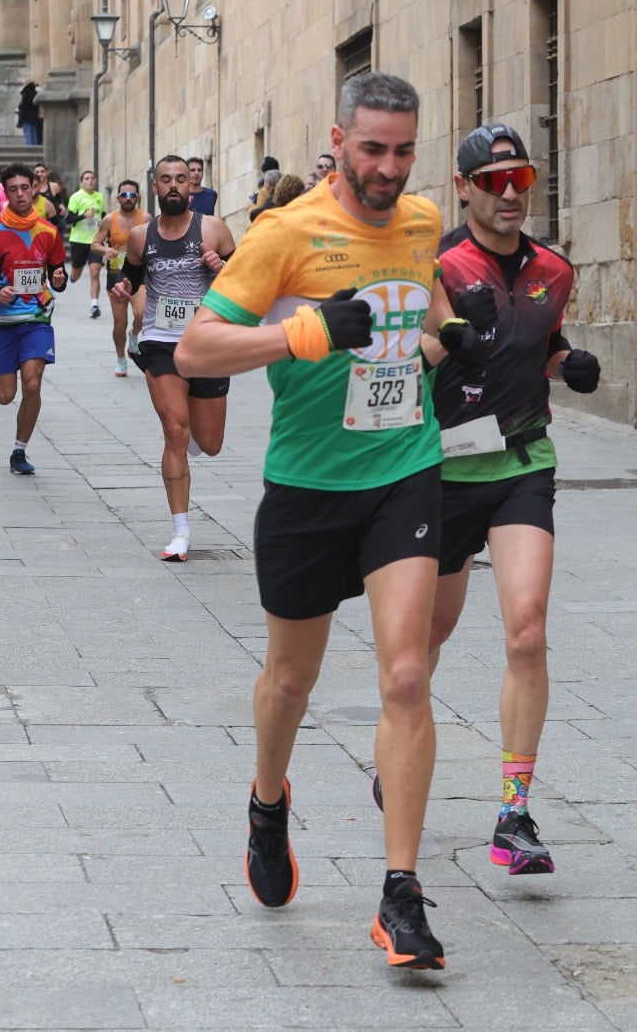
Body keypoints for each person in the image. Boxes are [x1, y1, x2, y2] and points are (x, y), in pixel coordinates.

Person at [175, 71, 486, 972]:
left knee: (404, 676)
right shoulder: (285, 233)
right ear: (339, 141)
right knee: (289, 681)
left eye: (402, 151)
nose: (388, 168)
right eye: (372, 149)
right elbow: (196, 345)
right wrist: (302, 334)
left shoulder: (424, 222)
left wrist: (445, 334)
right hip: (308, 486)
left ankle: (401, 895)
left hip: (405, 469)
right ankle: (267, 802)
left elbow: (421, 300)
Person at [390, 123, 599, 878]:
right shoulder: (436, 264)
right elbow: (406, 361)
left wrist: (568, 362)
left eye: (522, 180)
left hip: (519, 459)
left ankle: (514, 813)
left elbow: (540, 339)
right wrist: (451, 340)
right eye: (494, 182)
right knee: (431, 634)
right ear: (466, 187)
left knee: (526, 632)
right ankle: (398, 737)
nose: (510, 195)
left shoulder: (554, 268)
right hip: (443, 468)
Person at [110, 155, 236, 560]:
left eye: (181, 179)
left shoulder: (213, 229)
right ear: (156, 188)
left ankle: (197, 436)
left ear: (192, 186)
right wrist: (120, 289)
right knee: (175, 430)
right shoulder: (140, 236)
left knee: (211, 443)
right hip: (161, 343)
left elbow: (245, 279)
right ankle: (180, 532)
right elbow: (130, 275)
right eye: (166, 180)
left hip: (208, 343)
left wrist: (220, 267)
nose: (175, 186)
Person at [0, 163, 68, 475]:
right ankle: (1, 385)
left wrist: (60, 279)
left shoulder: (49, 232)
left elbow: (57, 276)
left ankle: (19, 451)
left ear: (34, 189)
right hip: (2, 322)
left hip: (37, 318)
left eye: (26, 187)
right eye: (14, 189)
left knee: (33, 383)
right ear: (5, 193)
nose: (21, 194)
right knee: (4, 395)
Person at [92, 180, 149, 377]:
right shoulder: (109, 219)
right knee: (119, 323)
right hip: (116, 277)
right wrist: (107, 249)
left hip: (139, 275)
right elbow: (94, 244)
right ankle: (121, 359)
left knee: (141, 314)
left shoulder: (146, 218)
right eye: (124, 195)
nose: (128, 199)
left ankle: (134, 336)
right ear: (117, 198)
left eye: (132, 195)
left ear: (138, 198)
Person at [66, 170, 107, 316]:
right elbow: (68, 219)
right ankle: (73, 276)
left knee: (95, 272)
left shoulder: (100, 197)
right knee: (77, 273)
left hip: (95, 241)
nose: (90, 181)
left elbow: (103, 216)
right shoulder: (76, 197)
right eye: (87, 179)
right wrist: (84, 216)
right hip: (79, 240)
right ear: (81, 182)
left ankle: (94, 305)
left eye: (92, 178)